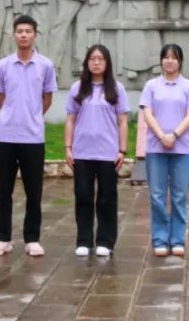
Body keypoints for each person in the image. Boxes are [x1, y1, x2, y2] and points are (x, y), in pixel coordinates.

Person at [0, 14, 57, 257]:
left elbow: (47, 98)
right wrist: (13, 115)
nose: (24, 35)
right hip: (6, 137)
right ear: (14, 35)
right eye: (20, 31)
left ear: (35, 35)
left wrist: (33, 116)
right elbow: (1, 98)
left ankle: (32, 238)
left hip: (33, 137)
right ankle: (3, 238)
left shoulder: (45, 65)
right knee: (4, 191)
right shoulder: (3, 65)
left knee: (34, 191)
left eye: (28, 31)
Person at [64, 45, 130, 258]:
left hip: (108, 153)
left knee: (107, 199)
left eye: (100, 59)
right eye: (92, 58)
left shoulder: (116, 88)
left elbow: (123, 121)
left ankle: (105, 241)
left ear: (107, 63)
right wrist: (68, 147)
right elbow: (71, 119)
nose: (96, 62)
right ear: (87, 62)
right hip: (82, 152)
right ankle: (84, 240)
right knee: (83, 197)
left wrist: (122, 150)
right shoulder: (78, 88)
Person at [140, 44, 189, 257]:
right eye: (166, 57)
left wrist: (174, 135)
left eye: (174, 57)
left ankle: (177, 239)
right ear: (161, 61)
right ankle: (160, 239)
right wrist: (161, 136)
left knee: (179, 196)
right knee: (157, 196)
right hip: (155, 148)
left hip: (182, 149)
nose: (169, 61)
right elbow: (147, 113)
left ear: (180, 61)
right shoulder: (151, 85)